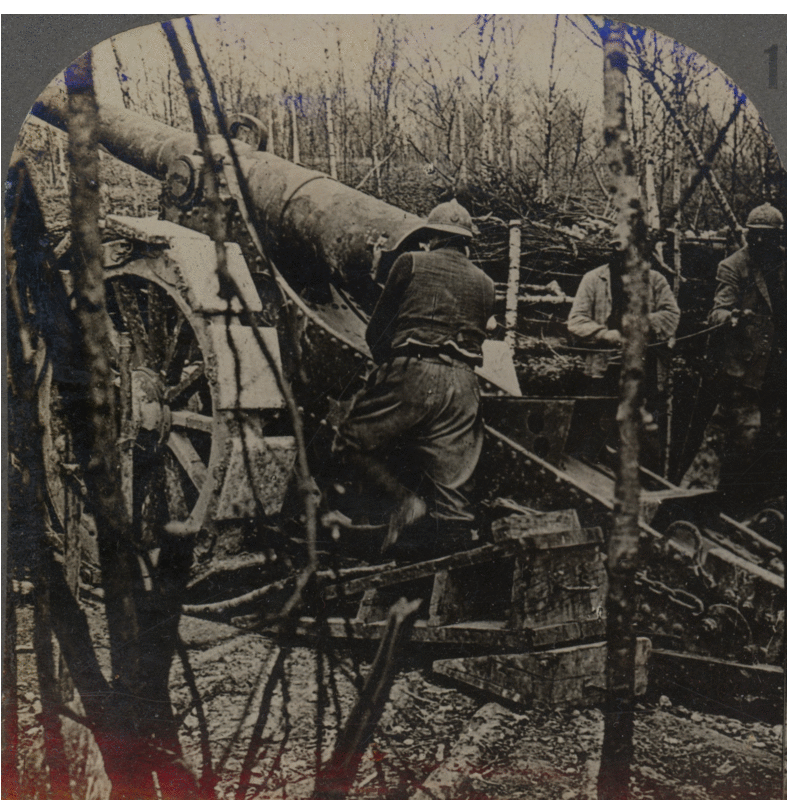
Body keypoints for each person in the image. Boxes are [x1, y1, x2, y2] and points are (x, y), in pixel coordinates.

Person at [332, 199, 496, 558]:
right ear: (466, 243)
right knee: (453, 496)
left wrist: (388, 374)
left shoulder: (410, 262)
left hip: (414, 369)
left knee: (350, 440)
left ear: (432, 237)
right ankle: (447, 576)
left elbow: (378, 330)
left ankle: (404, 502)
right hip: (465, 385)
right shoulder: (486, 283)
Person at [681, 203, 786, 500]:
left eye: (770, 237)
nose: (763, 243)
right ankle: (718, 498)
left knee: (776, 436)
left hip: (779, 365)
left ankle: (769, 500)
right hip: (746, 369)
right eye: (757, 236)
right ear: (749, 236)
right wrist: (735, 317)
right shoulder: (733, 266)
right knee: (739, 437)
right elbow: (717, 313)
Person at [567, 216, 680, 466]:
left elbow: (672, 316)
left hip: (643, 375)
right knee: (593, 439)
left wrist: (642, 325)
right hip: (601, 372)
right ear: (614, 249)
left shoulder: (656, 281)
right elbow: (575, 321)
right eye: (622, 249)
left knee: (642, 443)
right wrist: (605, 334)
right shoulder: (594, 280)